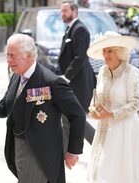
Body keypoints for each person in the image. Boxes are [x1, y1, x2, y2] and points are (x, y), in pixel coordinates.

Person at [0, 33, 86, 183]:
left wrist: (73, 151)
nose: (8, 60)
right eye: (7, 55)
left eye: (12, 55)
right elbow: (4, 108)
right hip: (18, 148)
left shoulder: (51, 82)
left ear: (28, 55)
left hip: (40, 153)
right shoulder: (16, 77)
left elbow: (77, 115)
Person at [86, 31, 139, 183]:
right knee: (116, 175)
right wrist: (93, 108)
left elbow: (136, 103)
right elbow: (98, 97)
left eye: (110, 51)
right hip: (105, 129)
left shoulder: (132, 72)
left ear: (119, 52)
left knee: (106, 171)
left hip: (123, 129)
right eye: (104, 51)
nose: (106, 55)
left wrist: (111, 113)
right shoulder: (102, 71)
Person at [58, 0, 96, 145]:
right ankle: (64, 150)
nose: (62, 14)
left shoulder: (80, 29)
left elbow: (80, 58)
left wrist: (66, 77)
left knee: (73, 116)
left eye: (65, 11)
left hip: (77, 82)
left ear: (74, 11)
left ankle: (97, 141)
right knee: (68, 116)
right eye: (61, 11)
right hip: (71, 81)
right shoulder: (70, 28)